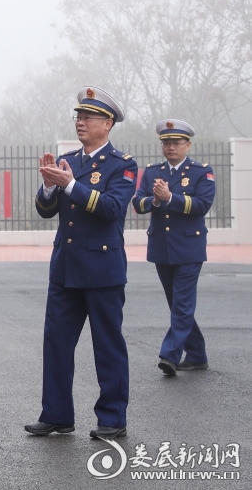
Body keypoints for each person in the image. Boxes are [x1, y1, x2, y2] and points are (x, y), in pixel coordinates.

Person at [26, 86, 137, 441]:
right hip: (66, 268)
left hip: (102, 269)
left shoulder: (123, 165)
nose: (81, 122)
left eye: (88, 117)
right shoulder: (69, 161)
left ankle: (112, 417)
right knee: (56, 343)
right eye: (78, 116)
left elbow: (111, 209)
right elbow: (48, 211)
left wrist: (70, 184)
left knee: (107, 345)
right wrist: (47, 187)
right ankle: (57, 414)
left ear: (108, 123)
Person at [132, 120, 214, 376]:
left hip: (189, 247)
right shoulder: (153, 171)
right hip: (162, 247)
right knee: (177, 303)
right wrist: (155, 199)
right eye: (166, 143)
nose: (170, 147)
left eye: (176, 143)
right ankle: (197, 354)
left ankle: (170, 355)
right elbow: (138, 203)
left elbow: (202, 205)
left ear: (187, 145)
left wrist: (171, 198)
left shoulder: (202, 172)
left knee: (181, 304)